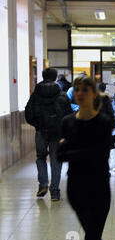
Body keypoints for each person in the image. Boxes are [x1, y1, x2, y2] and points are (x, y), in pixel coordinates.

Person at [57, 76, 112, 240]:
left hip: (100, 188)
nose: (80, 93)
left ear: (94, 94)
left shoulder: (104, 123)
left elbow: (100, 156)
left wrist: (72, 149)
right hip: (76, 189)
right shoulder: (67, 122)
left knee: (92, 238)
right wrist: (84, 151)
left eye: (85, 90)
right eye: (77, 89)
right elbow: (59, 156)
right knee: (92, 237)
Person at [25, 68, 72, 201]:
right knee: (56, 161)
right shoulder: (62, 95)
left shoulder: (35, 95)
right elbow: (69, 116)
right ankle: (55, 192)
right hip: (57, 133)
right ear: (55, 77)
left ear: (42, 76)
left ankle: (43, 184)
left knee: (40, 157)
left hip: (41, 132)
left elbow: (28, 114)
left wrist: (37, 125)